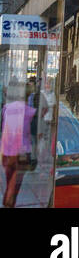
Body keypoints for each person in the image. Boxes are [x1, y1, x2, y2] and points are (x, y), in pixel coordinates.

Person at [0, 80, 36, 208]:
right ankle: (9, 203)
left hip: (6, 150)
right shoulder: (30, 111)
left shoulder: (6, 108)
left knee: (9, 180)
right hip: (21, 151)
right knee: (14, 185)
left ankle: (8, 203)